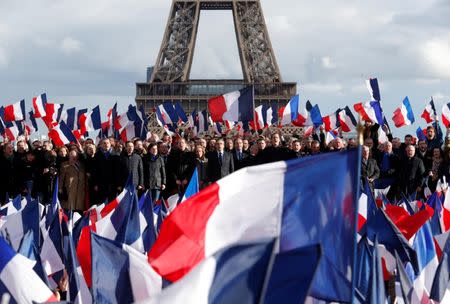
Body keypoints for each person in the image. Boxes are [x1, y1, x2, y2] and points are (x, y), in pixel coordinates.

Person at [92, 138, 121, 205]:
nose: (106, 145)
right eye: (104, 143)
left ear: (110, 144)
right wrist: (95, 184)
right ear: (101, 145)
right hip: (101, 184)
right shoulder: (97, 155)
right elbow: (94, 170)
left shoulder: (116, 154)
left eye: (107, 143)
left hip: (113, 184)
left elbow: (119, 171)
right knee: (101, 204)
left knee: (112, 204)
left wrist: (119, 184)